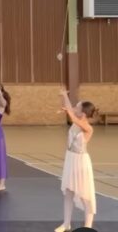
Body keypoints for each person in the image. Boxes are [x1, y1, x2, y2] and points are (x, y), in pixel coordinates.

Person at [56, 87, 98, 232]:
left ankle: (88, 227)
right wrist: (64, 99)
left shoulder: (87, 127)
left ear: (84, 113)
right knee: (68, 192)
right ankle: (66, 223)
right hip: (70, 159)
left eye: (77, 107)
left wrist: (66, 101)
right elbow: (71, 112)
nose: (74, 108)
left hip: (81, 162)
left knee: (86, 194)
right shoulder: (76, 119)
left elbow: (72, 116)